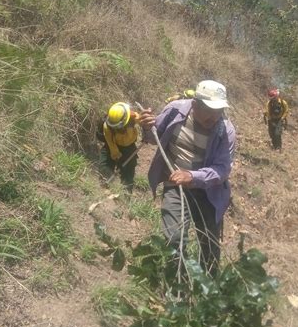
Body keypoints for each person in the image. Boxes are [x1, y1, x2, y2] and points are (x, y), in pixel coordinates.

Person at [140, 80, 236, 275]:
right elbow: (153, 137)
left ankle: (208, 286)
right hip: (175, 184)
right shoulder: (175, 111)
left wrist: (192, 176)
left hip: (209, 192)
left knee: (209, 243)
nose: (214, 116)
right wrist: (145, 126)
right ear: (195, 104)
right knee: (174, 238)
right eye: (209, 109)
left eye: (219, 111)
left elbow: (222, 170)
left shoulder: (225, 131)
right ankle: (177, 282)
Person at [97, 102, 141, 191]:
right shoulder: (107, 126)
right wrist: (115, 154)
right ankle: (104, 188)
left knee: (128, 173)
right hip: (111, 146)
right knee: (104, 166)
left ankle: (126, 194)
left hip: (129, 148)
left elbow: (146, 125)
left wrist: (148, 132)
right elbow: (110, 142)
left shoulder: (134, 118)